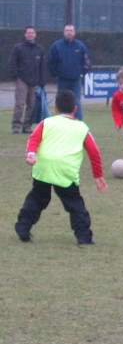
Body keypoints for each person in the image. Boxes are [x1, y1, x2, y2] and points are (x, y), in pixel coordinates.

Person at [14, 90, 107, 245]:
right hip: (65, 170)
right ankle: (84, 237)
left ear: (55, 108)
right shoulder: (82, 128)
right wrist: (98, 176)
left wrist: (31, 153)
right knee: (74, 203)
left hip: (43, 167)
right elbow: (94, 153)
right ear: (75, 109)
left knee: (37, 198)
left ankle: (23, 227)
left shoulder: (47, 122)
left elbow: (34, 138)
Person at [47, 24, 91, 121]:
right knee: (60, 102)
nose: (69, 32)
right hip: (62, 80)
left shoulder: (80, 46)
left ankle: (79, 123)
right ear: (64, 32)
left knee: (77, 102)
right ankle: (60, 122)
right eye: (67, 30)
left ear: (74, 32)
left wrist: (82, 72)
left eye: (71, 30)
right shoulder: (56, 46)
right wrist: (55, 74)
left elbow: (87, 61)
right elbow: (51, 62)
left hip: (76, 80)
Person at [8, 25, 46, 134]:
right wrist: (16, 76)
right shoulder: (18, 47)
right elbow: (12, 62)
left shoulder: (39, 48)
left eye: (32, 33)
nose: (30, 34)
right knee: (20, 104)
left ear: (35, 34)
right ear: (25, 34)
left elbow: (42, 66)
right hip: (22, 80)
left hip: (35, 81)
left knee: (32, 105)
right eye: (28, 33)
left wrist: (42, 81)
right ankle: (16, 126)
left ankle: (27, 126)